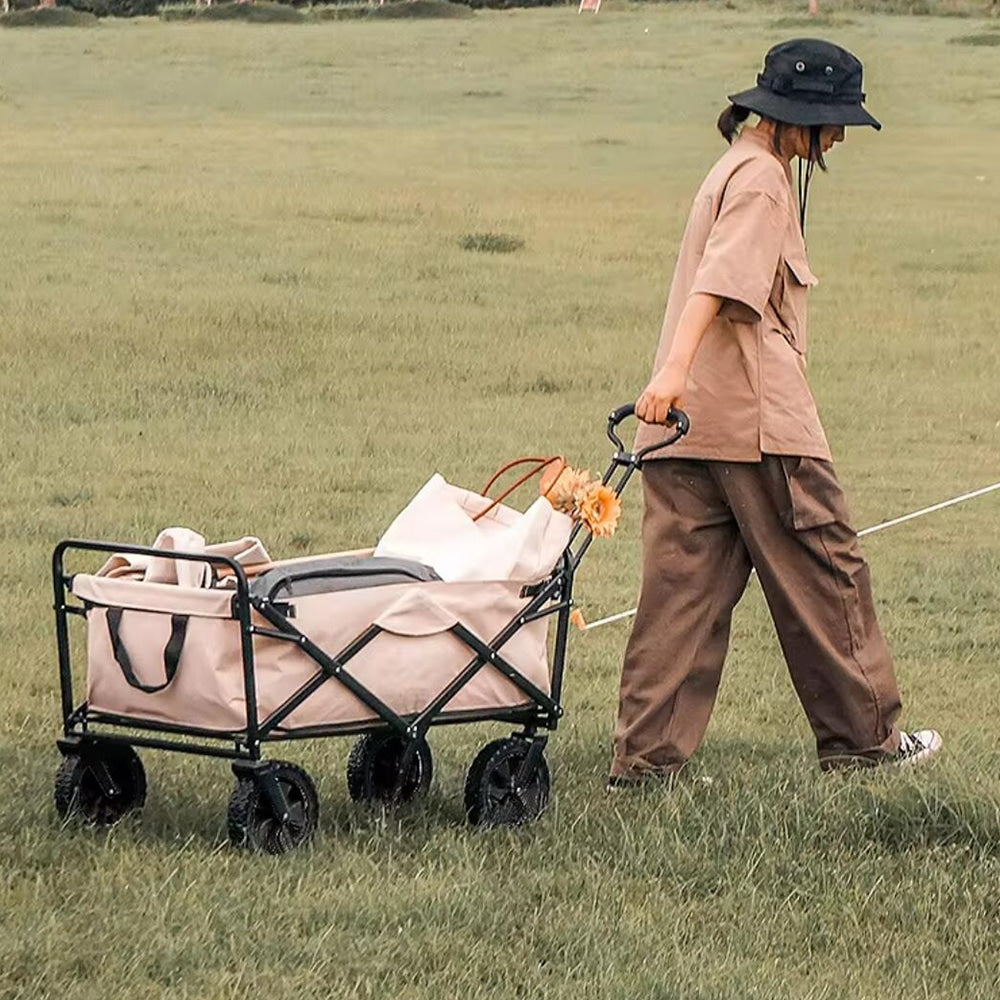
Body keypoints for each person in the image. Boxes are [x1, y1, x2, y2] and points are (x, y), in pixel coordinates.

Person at [609, 38, 942, 788]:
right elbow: (723, 286)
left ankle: (645, 762)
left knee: (679, 597)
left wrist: (672, 388)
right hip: (757, 425)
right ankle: (868, 744)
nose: (840, 138)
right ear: (798, 120)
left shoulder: (732, 168)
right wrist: (670, 369)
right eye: (832, 123)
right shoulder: (763, 180)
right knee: (830, 574)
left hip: (685, 428)